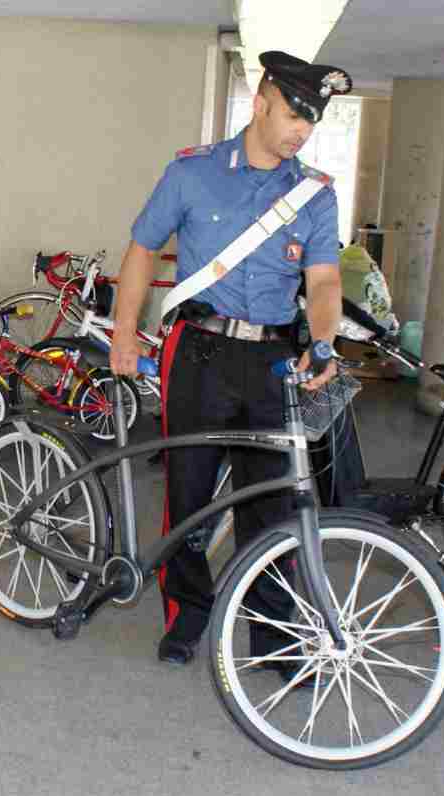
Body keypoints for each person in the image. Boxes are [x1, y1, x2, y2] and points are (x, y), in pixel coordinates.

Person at [109, 51, 350, 678]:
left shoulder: (315, 194)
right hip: (200, 354)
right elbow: (141, 249)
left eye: (313, 120)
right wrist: (125, 331)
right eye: (295, 112)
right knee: (189, 493)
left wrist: (323, 339)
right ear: (261, 101)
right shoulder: (192, 173)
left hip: (273, 360)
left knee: (271, 504)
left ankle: (272, 637)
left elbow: (323, 281)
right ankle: (187, 614)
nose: (302, 128)